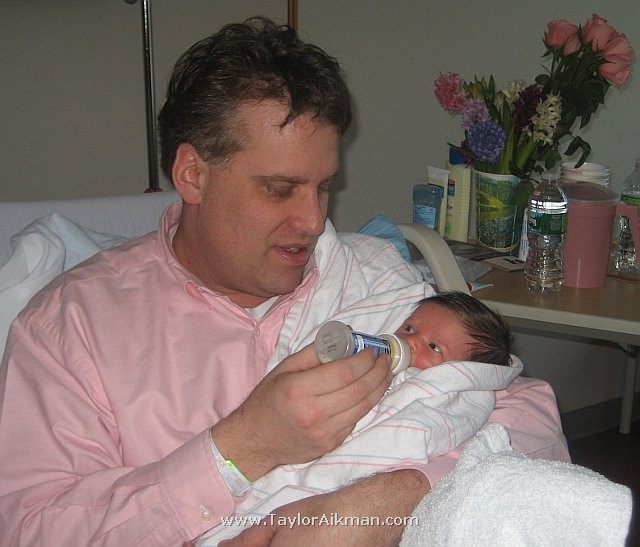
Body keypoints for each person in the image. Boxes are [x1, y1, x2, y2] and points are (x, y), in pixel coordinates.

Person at [0, 17, 569, 546]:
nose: (315, 221)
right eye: (279, 189)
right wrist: (244, 446)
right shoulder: (71, 328)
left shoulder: (370, 279)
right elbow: (31, 527)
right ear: (193, 174)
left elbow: (527, 421)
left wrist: (390, 502)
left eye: (323, 187)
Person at [198, 291, 518, 544]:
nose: (411, 342)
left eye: (434, 347)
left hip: (341, 491)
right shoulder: (370, 361)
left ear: (463, 371)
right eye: (409, 328)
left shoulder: (446, 393)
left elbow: (428, 431)